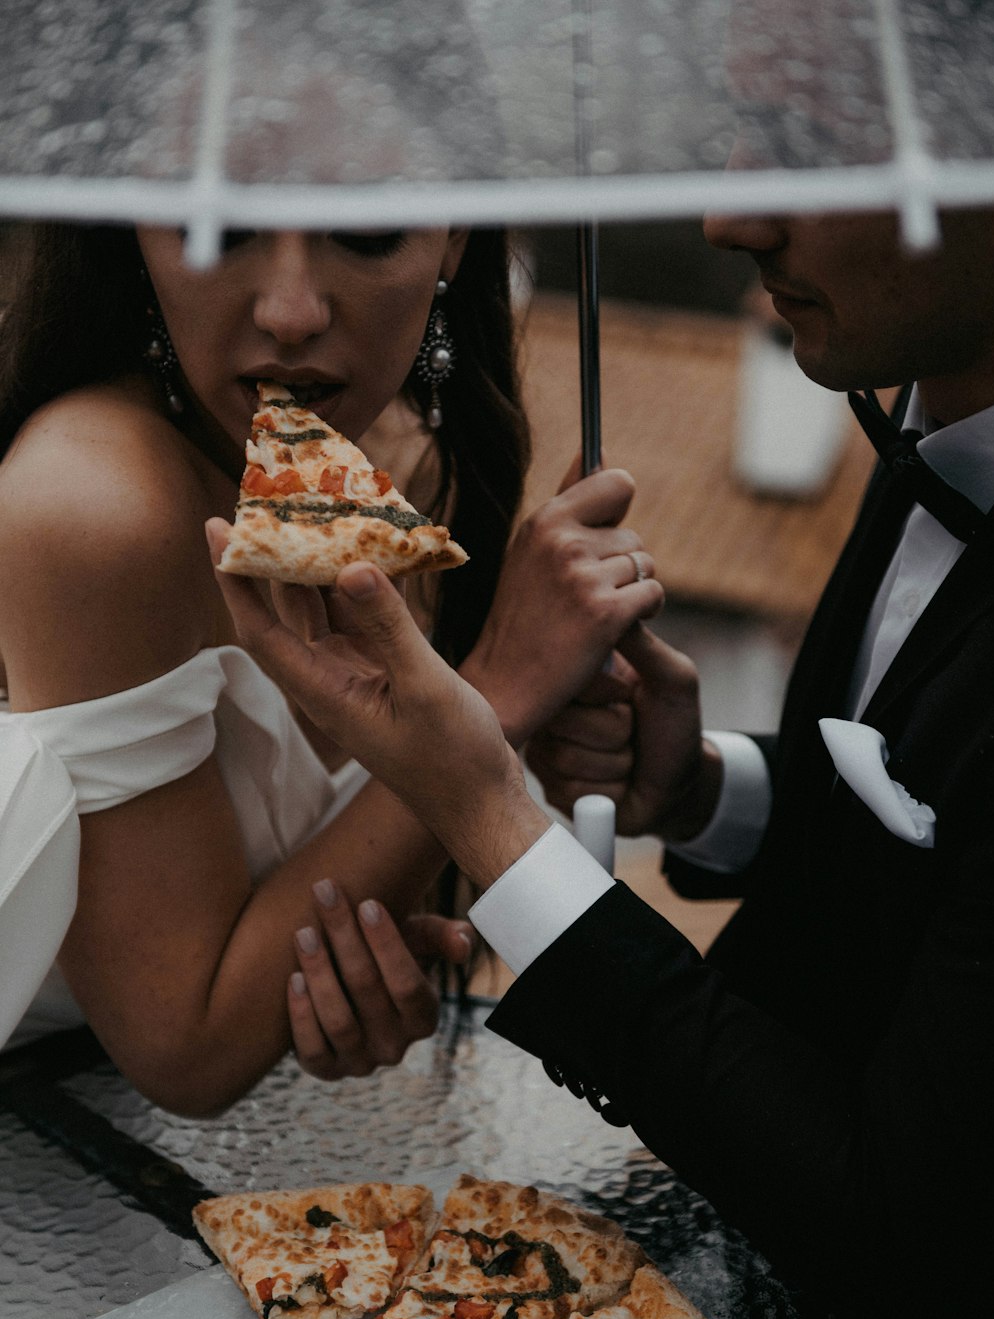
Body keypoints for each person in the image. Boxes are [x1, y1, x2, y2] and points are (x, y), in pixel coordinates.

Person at [208, 198, 994, 1319]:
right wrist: (696, 787)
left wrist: (487, 812)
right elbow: (944, 822)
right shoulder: (926, 407)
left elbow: (896, 1222)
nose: (729, 215)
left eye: (807, 142)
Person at [0, 219, 663, 1115]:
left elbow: (307, 931)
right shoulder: (95, 501)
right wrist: (503, 689)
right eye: (215, 229)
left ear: (456, 239)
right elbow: (186, 1047)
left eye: (366, 229)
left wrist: (353, 961)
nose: (291, 313)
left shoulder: (387, 470)